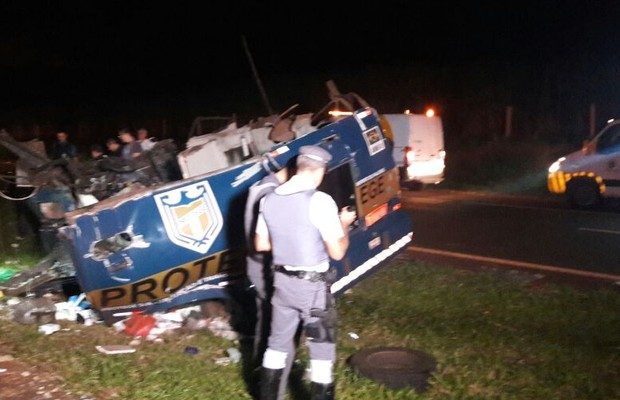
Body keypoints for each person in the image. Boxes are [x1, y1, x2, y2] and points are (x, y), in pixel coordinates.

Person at [255, 145, 356, 400]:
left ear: (297, 168)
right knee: (322, 354)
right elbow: (337, 252)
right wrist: (343, 226)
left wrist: (292, 239)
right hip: (312, 291)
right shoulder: (320, 201)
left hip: (281, 285)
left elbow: (261, 244)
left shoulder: (268, 199)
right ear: (320, 171)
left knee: (276, 346)